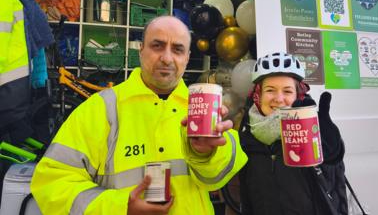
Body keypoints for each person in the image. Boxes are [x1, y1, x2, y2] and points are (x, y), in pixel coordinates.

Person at [31, 16, 248, 215]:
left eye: (178, 49)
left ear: (188, 57)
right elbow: (51, 183)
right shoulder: (101, 109)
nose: (166, 58)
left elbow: (219, 178)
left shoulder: (200, 109)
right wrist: (120, 207)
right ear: (141, 50)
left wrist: (205, 154)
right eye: (157, 46)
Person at [239, 52, 347, 215]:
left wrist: (330, 147)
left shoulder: (309, 131)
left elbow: (331, 171)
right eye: (270, 90)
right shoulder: (247, 137)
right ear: (258, 96)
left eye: (287, 91)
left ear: (298, 95)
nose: (279, 98)